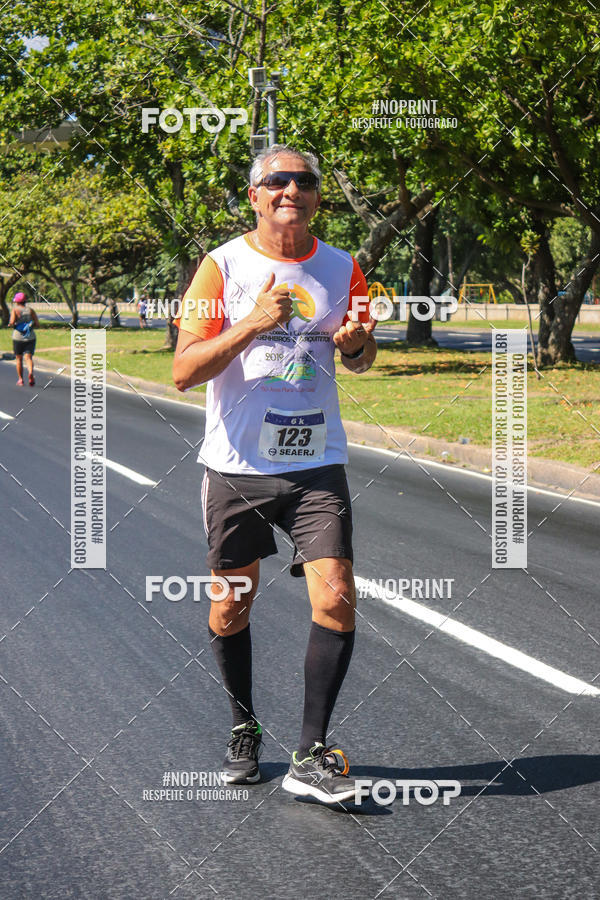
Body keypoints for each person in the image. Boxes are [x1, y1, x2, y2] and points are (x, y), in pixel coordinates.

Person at [173, 146, 377, 805]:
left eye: (304, 181)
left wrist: (356, 346)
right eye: (277, 180)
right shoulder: (222, 267)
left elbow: (364, 356)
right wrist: (254, 321)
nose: (292, 189)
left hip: (318, 464)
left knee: (336, 596)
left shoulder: (343, 267)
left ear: (317, 196)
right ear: (255, 195)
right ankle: (244, 725)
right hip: (238, 468)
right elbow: (184, 370)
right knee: (231, 603)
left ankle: (310, 755)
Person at [9, 291, 39, 386]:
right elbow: (37, 324)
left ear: (17, 302)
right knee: (28, 357)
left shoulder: (15, 310)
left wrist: (11, 324)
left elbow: (12, 322)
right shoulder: (30, 310)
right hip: (30, 337)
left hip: (18, 337)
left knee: (19, 359)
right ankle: (30, 373)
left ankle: (21, 379)